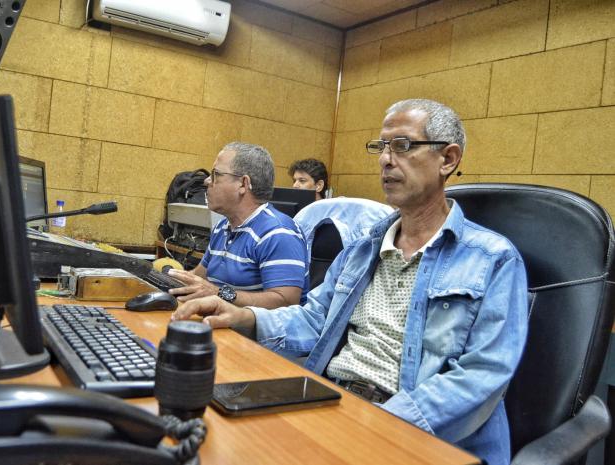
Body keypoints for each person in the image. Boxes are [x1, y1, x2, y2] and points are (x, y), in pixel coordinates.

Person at [173, 100, 529, 464]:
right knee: (201, 438)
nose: (385, 159)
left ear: (448, 159)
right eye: (381, 147)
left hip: (410, 432)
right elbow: (313, 319)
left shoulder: (493, 259)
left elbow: (481, 377)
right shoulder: (362, 249)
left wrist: (378, 423)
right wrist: (243, 316)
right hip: (334, 403)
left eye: (402, 145)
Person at [168, 142, 309, 308]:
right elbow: (199, 278)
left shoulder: (279, 233)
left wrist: (218, 293)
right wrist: (162, 278)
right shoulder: (222, 227)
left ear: (243, 184)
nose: (206, 181)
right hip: (220, 321)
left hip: (254, 326)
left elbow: (285, 302)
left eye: (216, 175)